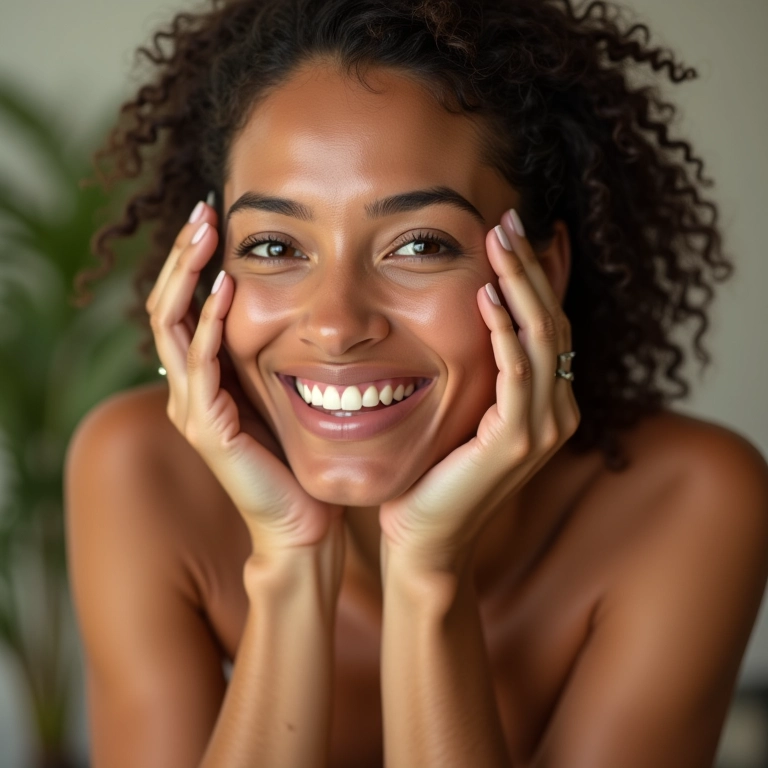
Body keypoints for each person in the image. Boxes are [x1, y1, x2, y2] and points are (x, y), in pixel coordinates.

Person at [63, 0, 768, 766]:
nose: (335, 324)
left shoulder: (688, 501)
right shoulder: (137, 470)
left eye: (420, 245)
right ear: (204, 271)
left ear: (544, 272)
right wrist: (292, 561)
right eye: (273, 244)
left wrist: (429, 575)